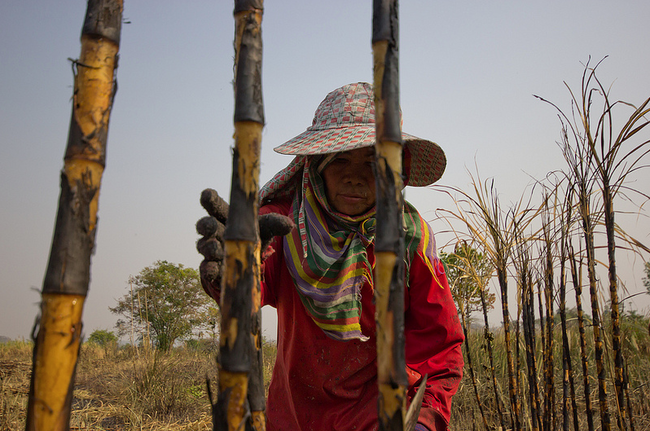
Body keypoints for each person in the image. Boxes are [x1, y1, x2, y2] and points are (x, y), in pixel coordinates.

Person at [197, 82, 464, 431]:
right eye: (340, 159)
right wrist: (232, 270)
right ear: (316, 166)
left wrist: (425, 420)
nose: (355, 177)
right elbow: (249, 285)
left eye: (371, 162)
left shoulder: (409, 241)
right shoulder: (281, 224)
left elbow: (440, 346)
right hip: (294, 418)